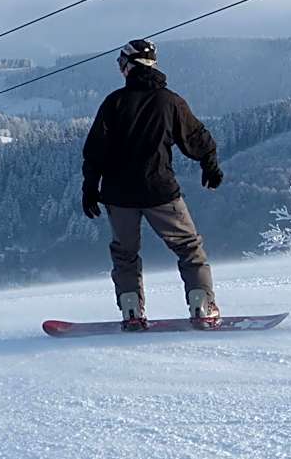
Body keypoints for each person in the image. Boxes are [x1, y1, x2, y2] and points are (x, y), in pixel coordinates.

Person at [82, 39, 224, 331]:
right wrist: (209, 165)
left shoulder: (114, 102)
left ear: (128, 66)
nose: (120, 69)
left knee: (125, 254)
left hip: (118, 194)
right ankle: (202, 305)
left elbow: (95, 150)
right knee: (188, 248)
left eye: (121, 63)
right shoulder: (170, 101)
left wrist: (90, 187)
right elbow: (196, 139)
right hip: (160, 190)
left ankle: (131, 310)